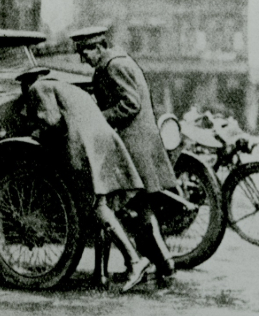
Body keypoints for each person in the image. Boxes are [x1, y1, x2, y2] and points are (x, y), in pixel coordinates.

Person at [16, 67, 150, 292]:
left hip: (87, 147)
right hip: (104, 142)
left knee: (98, 208)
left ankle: (135, 261)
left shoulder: (39, 88)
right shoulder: (67, 86)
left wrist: (35, 135)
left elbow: (52, 123)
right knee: (101, 207)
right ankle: (101, 275)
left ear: (28, 83)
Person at [70, 26, 177, 278]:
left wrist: (98, 117)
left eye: (85, 52)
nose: (83, 59)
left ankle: (136, 266)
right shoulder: (119, 60)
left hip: (133, 147)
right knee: (142, 211)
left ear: (98, 47)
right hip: (141, 144)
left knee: (125, 210)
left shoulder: (113, 66)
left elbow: (130, 104)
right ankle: (163, 264)